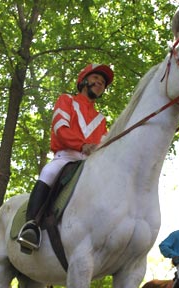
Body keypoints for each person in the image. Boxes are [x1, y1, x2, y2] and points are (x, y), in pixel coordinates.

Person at [17, 63, 114, 253]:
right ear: (84, 80)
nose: (99, 83)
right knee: (49, 172)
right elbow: (60, 129)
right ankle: (31, 226)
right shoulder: (66, 101)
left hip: (90, 164)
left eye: (103, 83)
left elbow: (105, 145)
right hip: (66, 157)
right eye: (96, 79)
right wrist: (82, 145)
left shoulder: (101, 119)